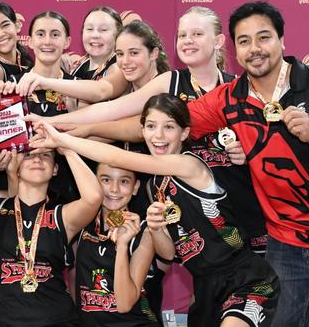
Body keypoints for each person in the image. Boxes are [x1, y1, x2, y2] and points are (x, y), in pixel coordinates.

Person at [30, 93, 280, 327]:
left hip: (244, 278)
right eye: (150, 126)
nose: (158, 135)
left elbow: (121, 159)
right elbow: (169, 253)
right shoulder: (154, 187)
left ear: (184, 133)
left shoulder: (189, 165)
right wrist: (157, 228)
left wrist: (63, 140)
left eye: (169, 127)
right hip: (204, 287)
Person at [38, 7, 267, 254]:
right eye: (182, 35)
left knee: (250, 274)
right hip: (193, 212)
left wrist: (247, 149)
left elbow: (265, 146)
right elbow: (109, 109)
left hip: (243, 207)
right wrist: (48, 122)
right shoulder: (170, 82)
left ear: (219, 41)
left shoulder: (240, 89)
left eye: (197, 34)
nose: (188, 40)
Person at [187, 1, 309, 327]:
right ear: (235, 50)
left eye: (263, 37)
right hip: (282, 242)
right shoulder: (229, 98)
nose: (255, 49)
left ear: (282, 40)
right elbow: (170, 122)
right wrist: (76, 128)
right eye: (244, 40)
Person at [0, 142, 102, 326]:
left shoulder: (62, 215)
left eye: (46, 155)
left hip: (57, 320)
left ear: (55, 169)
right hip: (4, 322)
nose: (37, 159)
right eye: (28, 154)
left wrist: (65, 146)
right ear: (15, 166)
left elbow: (94, 197)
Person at [75, 162, 170, 326]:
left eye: (124, 181)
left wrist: (122, 246)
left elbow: (125, 304)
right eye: (106, 180)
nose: (114, 189)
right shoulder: (81, 223)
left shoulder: (145, 231)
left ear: (135, 187)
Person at [17, 19, 170, 108]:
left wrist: (51, 126)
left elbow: (101, 95)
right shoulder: (78, 67)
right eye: (120, 54)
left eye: (134, 53)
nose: (126, 61)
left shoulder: (161, 83)